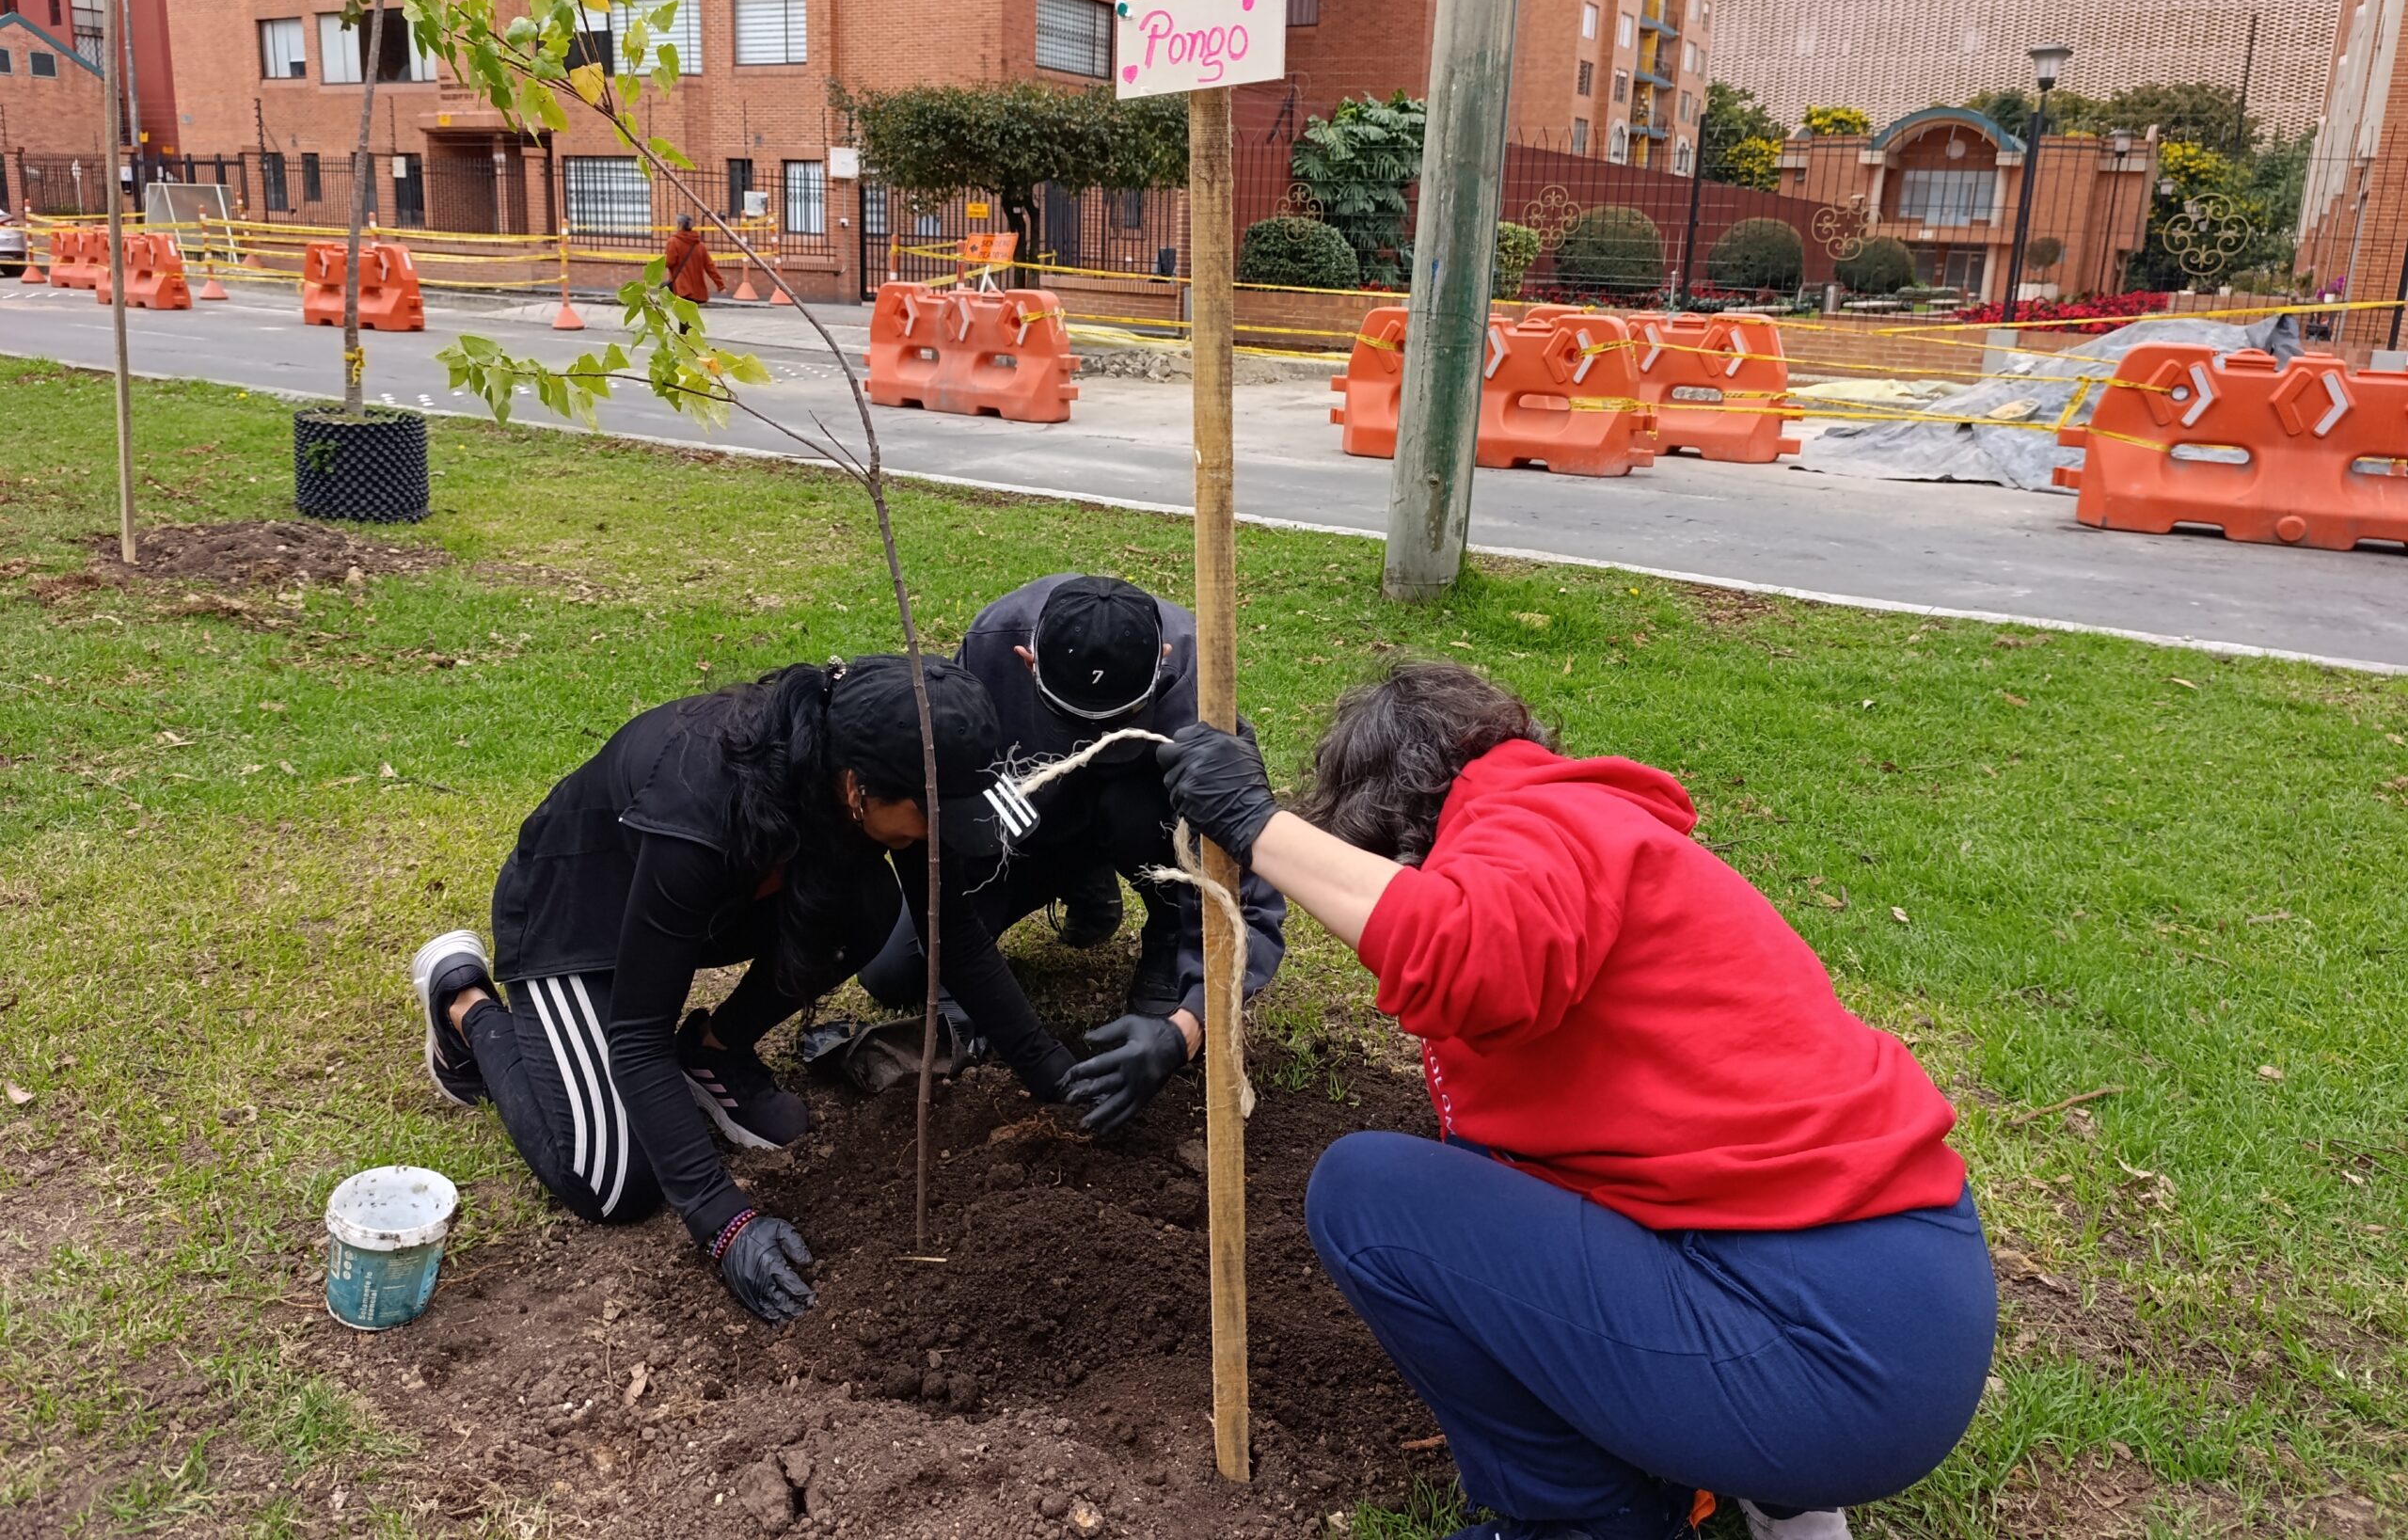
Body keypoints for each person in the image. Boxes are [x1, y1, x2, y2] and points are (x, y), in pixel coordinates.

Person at [1154, 664, 1996, 1540]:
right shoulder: (1588, 830)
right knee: (1487, 1188)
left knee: (1367, 1197)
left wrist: (1260, 827)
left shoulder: (1524, 823)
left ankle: (1590, 1518)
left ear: (1394, 817)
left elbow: (1464, 958)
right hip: (1891, 1316)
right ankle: (1772, 1486)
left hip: (1829, 1359)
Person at [406, 656, 1080, 1322]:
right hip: (576, 921)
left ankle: (713, 1051)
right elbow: (637, 1038)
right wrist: (723, 1222)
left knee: (864, 906)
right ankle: (466, 1004)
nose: (943, 834)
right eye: (935, 817)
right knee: (615, 1184)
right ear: (858, 789)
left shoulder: (883, 752)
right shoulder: (702, 800)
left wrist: (1054, 1073)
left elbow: (953, 935)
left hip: (707, 905)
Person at [856, 575, 1286, 1132]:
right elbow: (958, 797)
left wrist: (1188, 1025)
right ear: (1028, 661)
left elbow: (1249, 897)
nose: (1094, 744)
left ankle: (1163, 938)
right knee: (891, 974)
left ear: (1163, 660)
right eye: (1071, 725)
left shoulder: (1203, 691)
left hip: (1140, 824)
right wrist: (961, 976)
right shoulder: (990, 647)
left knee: (1131, 807)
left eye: (1117, 725)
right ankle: (1076, 874)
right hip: (1030, 827)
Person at [665, 213, 723, 305]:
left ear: (680, 225)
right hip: (697, 291)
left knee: (682, 313)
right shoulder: (700, 245)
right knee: (693, 313)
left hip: (681, 288)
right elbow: (710, 267)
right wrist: (720, 285)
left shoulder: (673, 242)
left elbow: (669, 262)